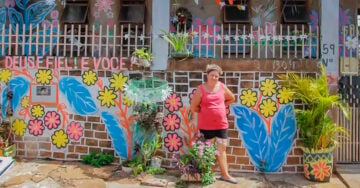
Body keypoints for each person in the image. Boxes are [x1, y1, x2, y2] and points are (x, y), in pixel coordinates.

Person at [190, 64, 237, 184]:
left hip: (221, 124)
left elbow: (232, 98)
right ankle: (208, 175)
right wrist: (205, 111)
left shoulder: (222, 87)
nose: (215, 78)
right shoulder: (200, 89)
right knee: (208, 149)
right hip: (206, 125)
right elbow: (193, 107)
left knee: (222, 148)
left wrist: (221, 106)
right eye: (212, 75)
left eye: (217, 76)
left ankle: (225, 175)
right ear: (207, 75)